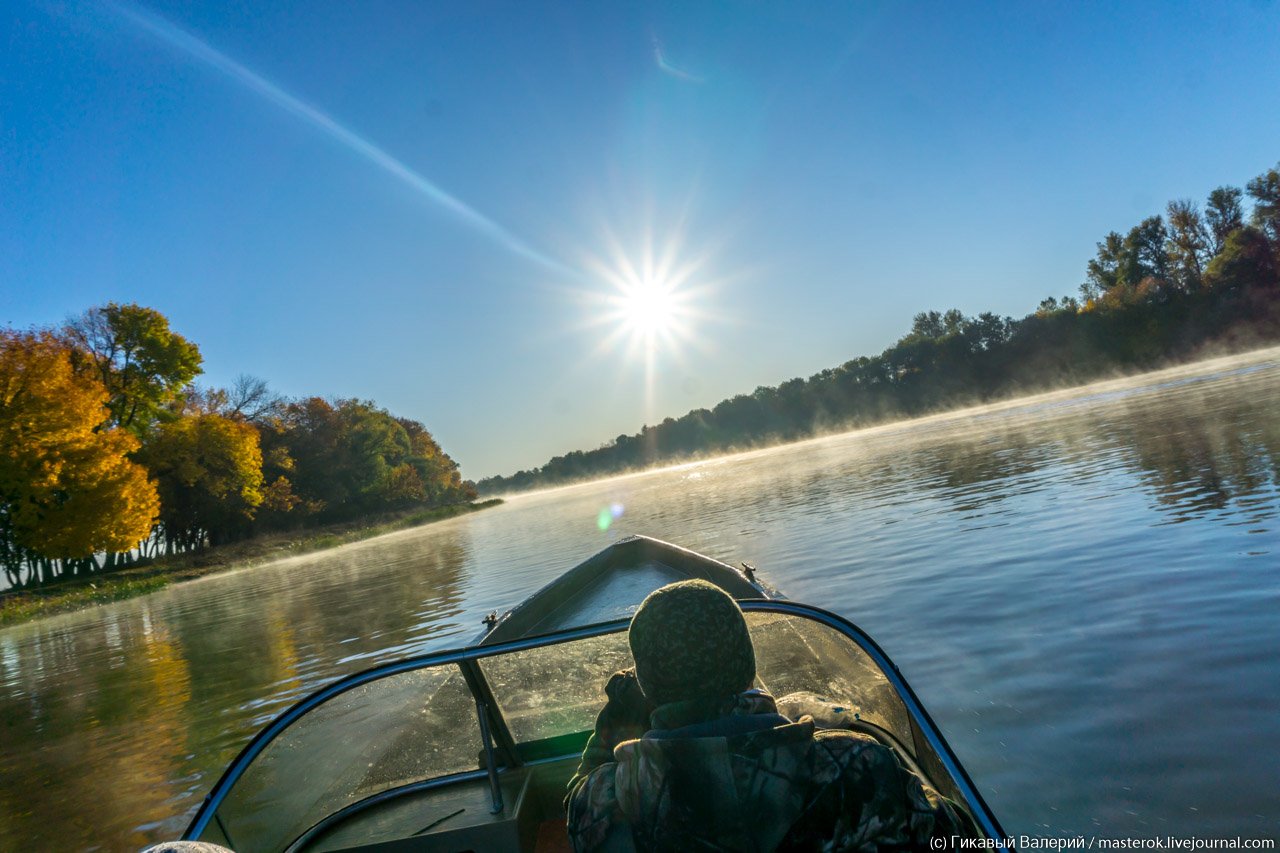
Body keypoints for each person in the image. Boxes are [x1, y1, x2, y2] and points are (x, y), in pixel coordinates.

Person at [565, 579, 971, 851]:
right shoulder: (859, 765)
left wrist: (619, 715)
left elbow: (577, 815)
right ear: (746, 664)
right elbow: (958, 838)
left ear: (649, 688)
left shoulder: (611, 799)